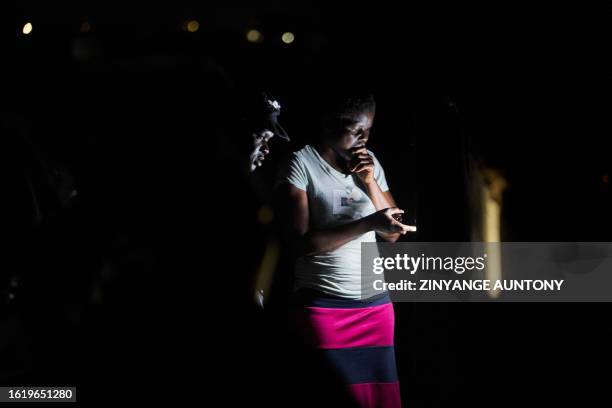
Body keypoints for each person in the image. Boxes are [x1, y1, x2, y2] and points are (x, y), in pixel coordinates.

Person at [275, 90, 416, 407]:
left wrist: (369, 182)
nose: (364, 138)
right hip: (324, 307)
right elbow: (300, 244)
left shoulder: (370, 163)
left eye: (369, 130)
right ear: (328, 125)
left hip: (377, 308)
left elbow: (393, 233)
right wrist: (367, 224)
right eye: (356, 129)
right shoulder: (300, 164)